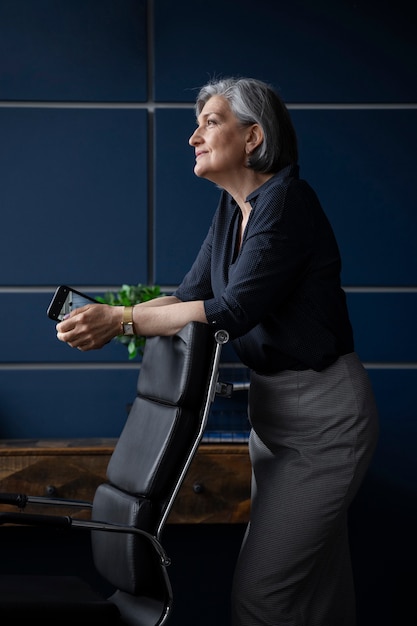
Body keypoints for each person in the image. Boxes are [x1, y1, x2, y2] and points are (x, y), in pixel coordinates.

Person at [56, 77, 379, 626]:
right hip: (275, 419)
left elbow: (229, 312)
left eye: (210, 121)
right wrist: (110, 318)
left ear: (252, 137)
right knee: (319, 596)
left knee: (264, 597)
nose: (193, 137)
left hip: (324, 424)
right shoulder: (234, 210)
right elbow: (188, 298)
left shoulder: (287, 202)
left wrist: (123, 319)